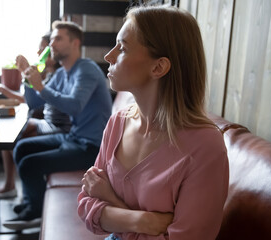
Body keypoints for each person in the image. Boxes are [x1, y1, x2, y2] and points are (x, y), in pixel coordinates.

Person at [78, 5, 229, 240]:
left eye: (123, 48)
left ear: (159, 67)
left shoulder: (205, 146)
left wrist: (110, 200)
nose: (109, 56)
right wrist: (144, 221)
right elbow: (86, 205)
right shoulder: (118, 122)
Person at [3, 20, 113, 230]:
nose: (52, 44)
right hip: (73, 138)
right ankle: (31, 203)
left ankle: (34, 213)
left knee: (29, 164)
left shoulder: (86, 69)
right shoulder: (62, 73)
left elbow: (74, 106)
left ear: (75, 43)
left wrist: (40, 85)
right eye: (52, 39)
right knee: (22, 147)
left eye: (58, 39)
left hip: (91, 147)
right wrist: (28, 77)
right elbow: (35, 101)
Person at [0, 33, 71, 200]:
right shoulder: (51, 74)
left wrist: (25, 73)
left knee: (15, 137)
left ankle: (20, 190)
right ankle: (15, 187)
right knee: (13, 134)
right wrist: (6, 90)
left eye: (43, 49)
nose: (39, 54)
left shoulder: (61, 75)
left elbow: (33, 102)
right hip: (48, 122)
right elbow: (34, 99)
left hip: (58, 127)